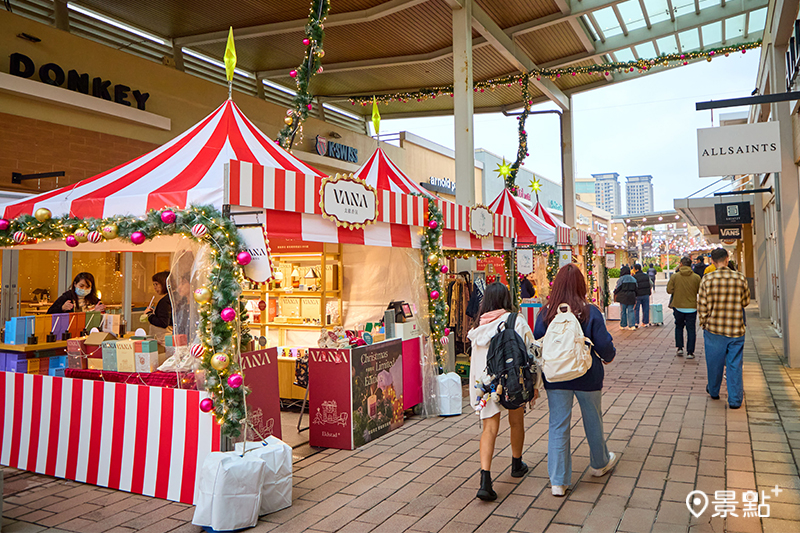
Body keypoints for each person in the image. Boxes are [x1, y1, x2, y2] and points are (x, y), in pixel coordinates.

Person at [533, 264, 617, 497]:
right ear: (581, 285)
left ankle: (558, 481)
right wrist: (608, 357)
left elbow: (538, 342)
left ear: (556, 286)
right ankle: (599, 464)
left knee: (558, 424)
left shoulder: (546, 313)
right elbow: (604, 345)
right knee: (593, 419)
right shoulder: (590, 312)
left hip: (556, 377)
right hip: (587, 376)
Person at [468, 282, 539, 501]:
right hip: (512, 382)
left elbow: (475, 364)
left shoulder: (477, 328)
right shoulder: (515, 320)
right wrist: (535, 385)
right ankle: (516, 464)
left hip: (486, 385)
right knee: (516, 420)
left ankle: (485, 481)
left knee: (489, 428)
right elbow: (531, 352)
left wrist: (476, 393)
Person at [698, 248, 750, 409]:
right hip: (736, 328)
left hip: (714, 329)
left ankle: (714, 391)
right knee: (735, 364)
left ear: (712, 261)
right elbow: (745, 301)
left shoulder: (707, 279)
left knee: (714, 363)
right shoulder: (740, 278)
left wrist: (704, 322)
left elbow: (702, 305)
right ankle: (735, 400)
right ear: (727, 259)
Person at [667, 256, 701, 359]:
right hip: (692, 307)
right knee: (691, 329)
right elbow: (700, 290)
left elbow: (669, 290)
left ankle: (680, 347)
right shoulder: (696, 277)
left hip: (678, 306)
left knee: (679, 326)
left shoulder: (675, 277)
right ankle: (690, 352)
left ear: (681, 264)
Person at [142, 271, 172, 342]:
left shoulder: (165, 301)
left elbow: (163, 323)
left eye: (156, 284)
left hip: (162, 339)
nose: (154, 287)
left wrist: (149, 315)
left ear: (164, 283)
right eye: (154, 284)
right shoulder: (172, 298)